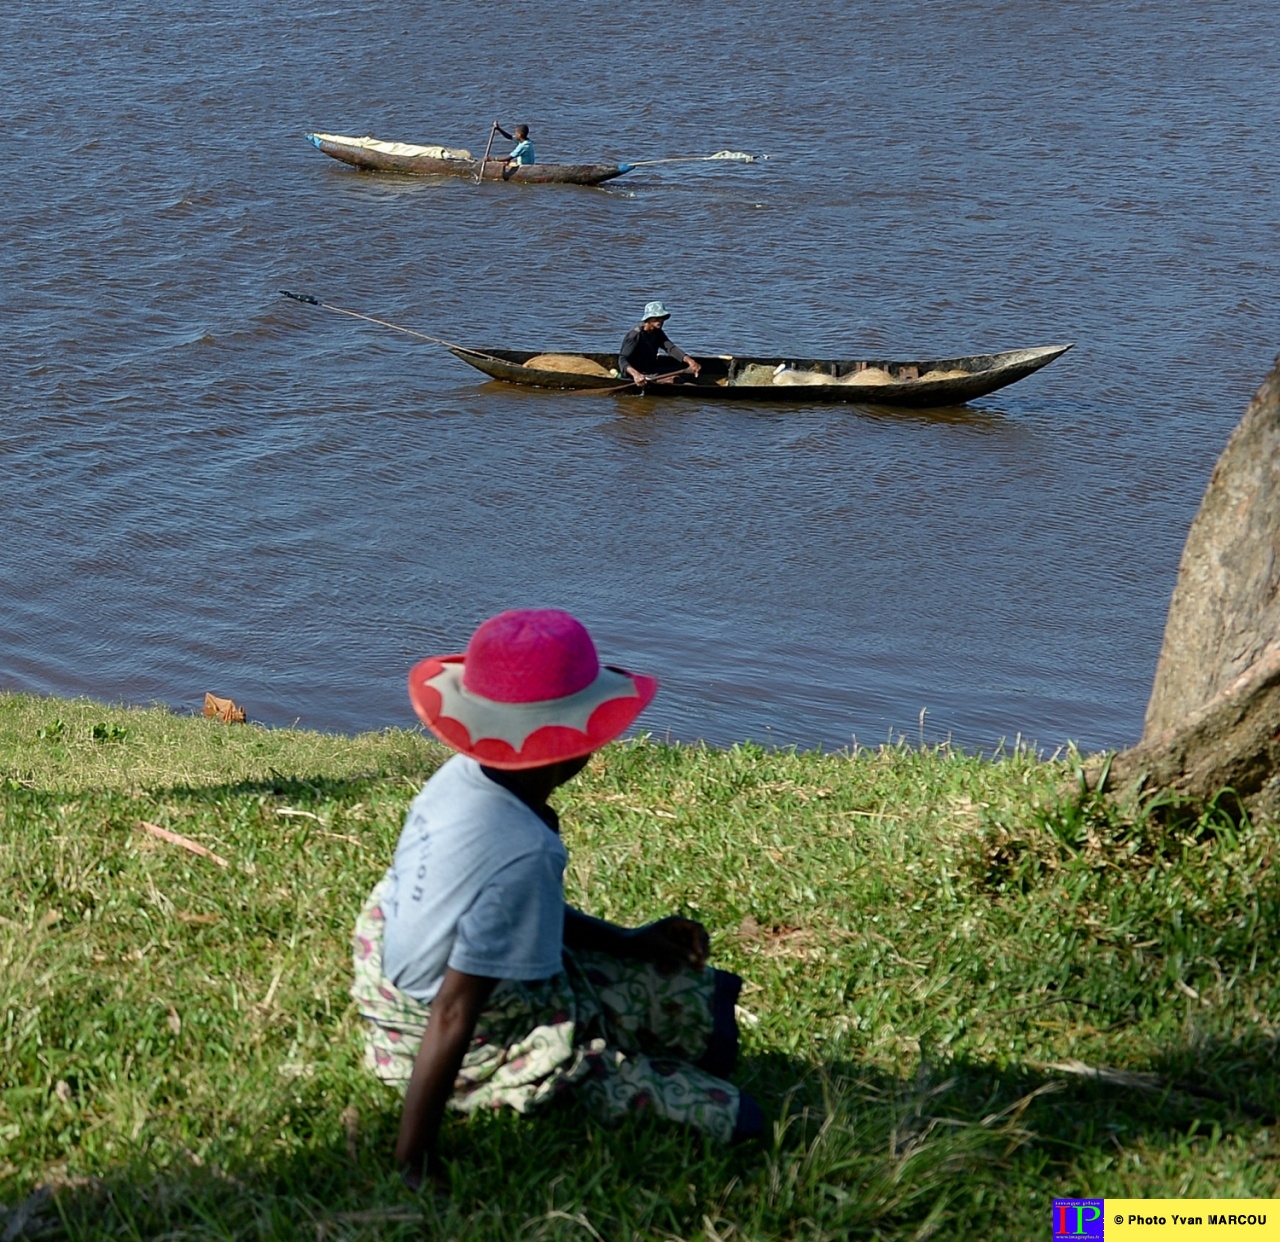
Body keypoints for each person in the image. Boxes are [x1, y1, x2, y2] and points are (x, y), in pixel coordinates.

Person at [351, 609, 761, 1190]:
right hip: (437, 1029)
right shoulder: (522, 849)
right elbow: (454, 1010)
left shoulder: (463, 775)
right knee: (740, 1118)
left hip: (391, 969)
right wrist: (414, 1159)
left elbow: (500, 914)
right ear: (573, 746)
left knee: (706, 1013)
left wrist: (627, 941)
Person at [618, 302, 703, 387]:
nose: (660, 321)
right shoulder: (635, 335)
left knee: (685, 367)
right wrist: (636, 375)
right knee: (674, 380)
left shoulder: (657, 332)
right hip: (640, 374)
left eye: (662, 318)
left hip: (652, 369)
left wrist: (690, 361)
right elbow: (622, 360)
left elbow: (671, 348)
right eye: (657, 318)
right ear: (648, 318)